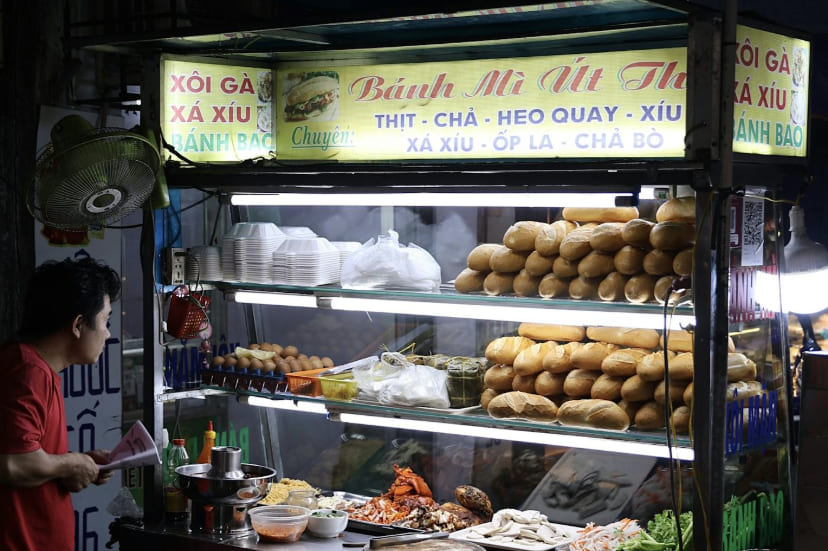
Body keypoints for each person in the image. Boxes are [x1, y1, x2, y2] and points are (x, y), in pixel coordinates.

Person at [0, 257, 121, 551]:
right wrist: (72, 463)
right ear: (78, 324)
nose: (108, 334)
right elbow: (13, 463)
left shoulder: (36, 369)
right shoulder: (28, 372)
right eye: (105, 321)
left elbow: (28, 455)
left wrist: (76, 465)